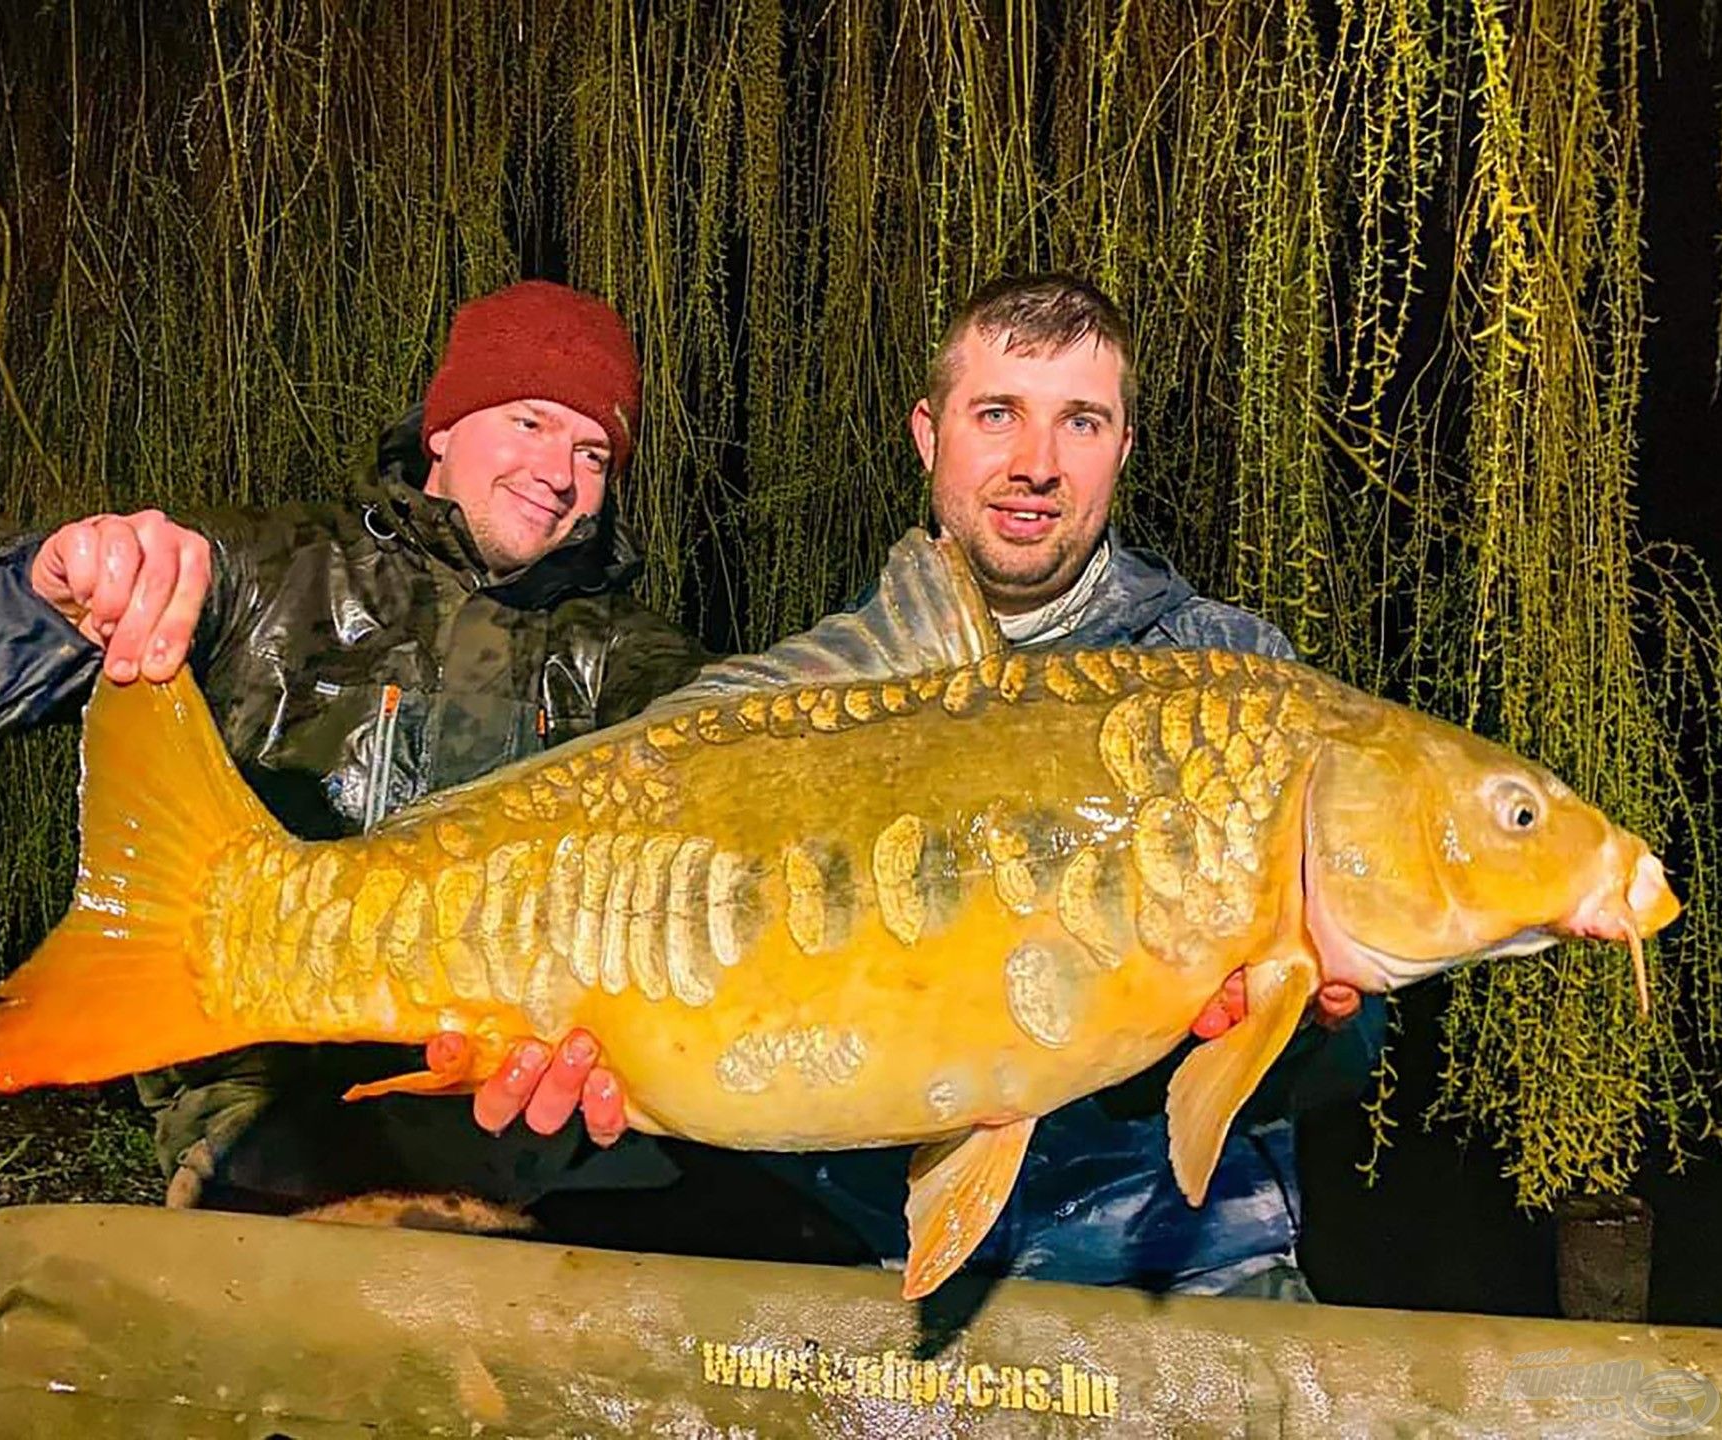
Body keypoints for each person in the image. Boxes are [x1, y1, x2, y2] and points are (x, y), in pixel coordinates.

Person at [494, 272, 1387, 1299]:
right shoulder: (819, 701)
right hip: (866, 1249)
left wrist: (1310, 1022)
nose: (1035, 465)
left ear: (1123, 449)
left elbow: (1348, 1049)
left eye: (1081, 422)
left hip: (1182, 1261)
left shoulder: (1231, 680)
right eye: (997, 414)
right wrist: (623, 1049)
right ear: (930, 433)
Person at [0, 278, 711, 1215]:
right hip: (272, 1134)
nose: (560, 470)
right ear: (443, 428)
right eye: (527, 423)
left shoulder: (635, 659)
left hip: (534, 1149)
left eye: (593, 449)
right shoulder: (273, 574)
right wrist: (49, 583)